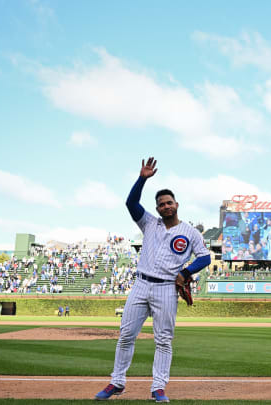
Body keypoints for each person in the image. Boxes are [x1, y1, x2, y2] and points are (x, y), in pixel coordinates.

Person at [95, 157, 211, 403]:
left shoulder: (190, 232)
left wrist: (186, 273)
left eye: (169, 202)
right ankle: (117, 382)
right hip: (141, 284)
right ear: (157, 208)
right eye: (161, 204)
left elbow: (205, 258)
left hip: (166, 289)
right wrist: (142, 179)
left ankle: (158, 387)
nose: (166, 206)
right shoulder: (149, 223)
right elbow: (130, 202)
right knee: (126, 334)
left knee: (163, 340)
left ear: (176, 204)